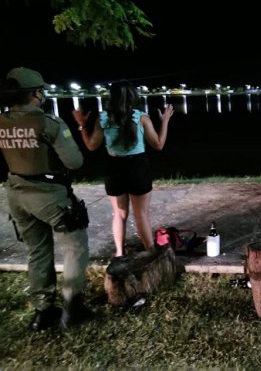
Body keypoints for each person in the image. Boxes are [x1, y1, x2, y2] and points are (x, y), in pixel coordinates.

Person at [0, 67, 91, 330]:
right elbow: (74, 162)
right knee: (75, 247)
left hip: (15, 194)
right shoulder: (48, 123)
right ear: (36, 94)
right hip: (49, 195)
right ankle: (73, 307)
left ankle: (43, 311)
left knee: (37, 251)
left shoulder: (2, 121)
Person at [72, 80, 174, 258]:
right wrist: (165, 121)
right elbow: (158, 144)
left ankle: (119, 253)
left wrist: (82, 125)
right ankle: (151, 254)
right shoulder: (142, 117)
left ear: (111, 97)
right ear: (133, 96)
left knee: (119, 215)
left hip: (114, 168)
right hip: (137, 167)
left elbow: (91, 146)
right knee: (141, 214)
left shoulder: (104, 118)